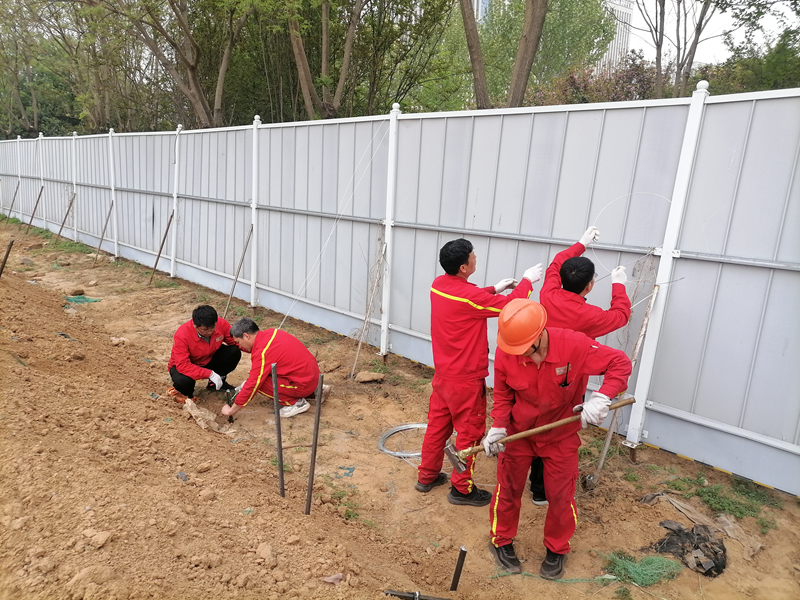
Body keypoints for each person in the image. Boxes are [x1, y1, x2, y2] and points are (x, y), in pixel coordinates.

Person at [483, 299, 631, 579]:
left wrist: (602, 396)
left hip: (560, 434)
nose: (519, 354)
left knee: (561, 496)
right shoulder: (508, 351)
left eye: (525, 348)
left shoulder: (574, 345)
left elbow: (620, 363)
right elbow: (503, 395)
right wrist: (498, 427)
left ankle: (557, 548)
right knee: (509, 488)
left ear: (539, 334)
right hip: (520, 433)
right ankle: (501, 540)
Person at [415, 238, 544, 507]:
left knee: (437, 426)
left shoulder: (439, 285)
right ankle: (462, 489)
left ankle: (426, 476)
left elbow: (469, 298)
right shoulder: (469, 298)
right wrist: (527, 281)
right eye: (473, 256)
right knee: (469, 433)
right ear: (463, 267)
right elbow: (510, 307)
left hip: (444, 375)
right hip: (466, 379)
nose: (476, 258)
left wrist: (493, 289)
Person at [528, 226, 631, 506]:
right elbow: (620, 316)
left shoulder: (549, 293)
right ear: (589, 286)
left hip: (538, 368)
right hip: (569, 380)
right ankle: (541, 490)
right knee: (557, 431)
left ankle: (533, 478)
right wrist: (619, 284)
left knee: (535, 419)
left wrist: (580, 244)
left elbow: (556, 263)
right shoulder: (590, 315)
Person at [220, 318, 330, 419]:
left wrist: (231, 410)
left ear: (246, 336)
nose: (239, 346)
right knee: (268, 372)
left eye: (238, 342)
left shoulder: (262, 352)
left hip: (303, 384)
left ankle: (295, 403)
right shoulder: (272, 333)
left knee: (260, 383)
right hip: (314, 377)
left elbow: (253, 384)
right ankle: (316, 390)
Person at [167, 305, 241, 402]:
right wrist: (210, 374)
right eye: (205, 329)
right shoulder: (182, 335)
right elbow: (183, 365)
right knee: (183, 382)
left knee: (234, 352)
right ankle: (186, 394)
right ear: (195, 325)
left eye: (212, 327)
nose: (210, 331)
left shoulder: (221, 324)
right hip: (186, 365)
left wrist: (256, 350)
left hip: (208, 358)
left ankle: (216, 384)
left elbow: (236, 342)